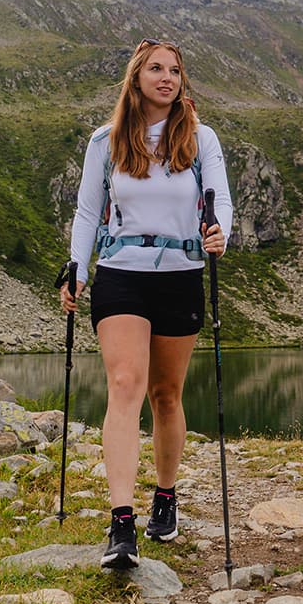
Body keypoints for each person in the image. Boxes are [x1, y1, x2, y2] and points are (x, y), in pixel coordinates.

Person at [61, 38, 232, 570]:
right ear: (136, 77)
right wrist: (76, 265)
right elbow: (89, 211)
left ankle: (165, 495)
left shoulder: (201, 139)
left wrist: (220, 232)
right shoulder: (105, 141)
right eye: (155, 68)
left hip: (181, 275)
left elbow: (219, 200)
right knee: (125, 384)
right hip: (120, 277)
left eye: (175, 70)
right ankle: (120, 524)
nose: (166, 77)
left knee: (165, 394)